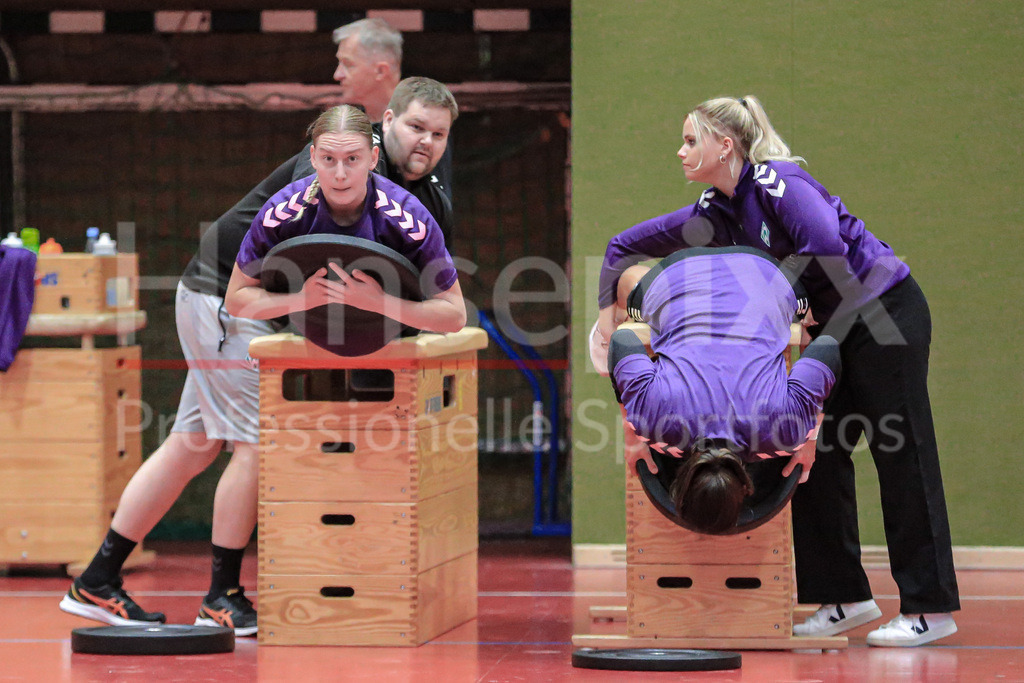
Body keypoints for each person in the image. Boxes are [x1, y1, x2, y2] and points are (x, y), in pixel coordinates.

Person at [59, 21, 458, 636]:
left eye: (437, 134)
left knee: (191, 445)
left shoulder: (410, 189)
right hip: (228, 298)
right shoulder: (335, 161)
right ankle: (222, 596)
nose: (426, 141)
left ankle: (98, 579)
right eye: (415, 128)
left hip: (224, 297)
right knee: (257, 443)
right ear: (385, 128)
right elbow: (311, 271)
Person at [596, 95, 959, 647]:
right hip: (830, 330)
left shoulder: (777, 180)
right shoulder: (711, 213)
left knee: (902, 456)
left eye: (691, 140)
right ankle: (844, 598)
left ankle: (930, 608)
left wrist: (805, 317)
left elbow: (828, 249)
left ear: (727, 145)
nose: (681, 151)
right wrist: (607, 320)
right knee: (810, 456)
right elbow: (623, 245)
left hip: (882, 311)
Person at [605, 245, 839, 533]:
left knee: (809, 316)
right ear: (680, 483)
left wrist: (809, 438)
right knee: (629, 283)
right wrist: (633, 432)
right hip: (680, 271)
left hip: (762, 272)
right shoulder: (654, 425)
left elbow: (826, 347)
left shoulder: (786, 432)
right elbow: (622, 342)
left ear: (745, 484)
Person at [224, 104, 465, 336]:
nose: (340, 175)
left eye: (352, 159)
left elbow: (455, 315)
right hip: (309, 333)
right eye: (328, 159)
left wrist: (380, 303)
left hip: (390, 339)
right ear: (313, 158)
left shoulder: (410, 218)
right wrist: (301, 300)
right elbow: (236, 300)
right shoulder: (282, 212)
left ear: (373, 158)